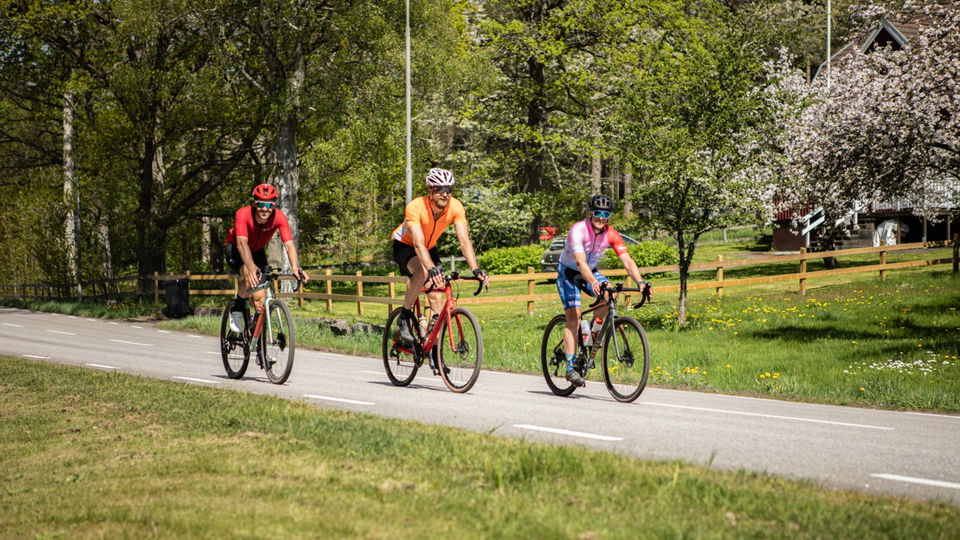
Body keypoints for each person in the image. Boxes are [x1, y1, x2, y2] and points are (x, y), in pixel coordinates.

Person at [556, 194, 648, 387]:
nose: (601, 217)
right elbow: (580, 262)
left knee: (610, 294)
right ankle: (570, 367)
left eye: (605, 214)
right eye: (597, 213)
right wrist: (592, 281)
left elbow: (628, 262)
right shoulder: (578, 230)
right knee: (574, 317)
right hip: (569, 272)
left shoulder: (612, 234)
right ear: (591, 213)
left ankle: (591, 332)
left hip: (590, 270)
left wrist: (640, 282)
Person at [391, 167, 489, 346]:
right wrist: (431, 269)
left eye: (449, 190)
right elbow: (418, 244)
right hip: (406, 246)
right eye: (441, 189)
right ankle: (404, 317)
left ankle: (433, 349)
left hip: (429, 248)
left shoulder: (456, 206)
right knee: (422, 273)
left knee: (437, 297)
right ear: (431, 190)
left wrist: (475, 269)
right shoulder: (415, 207)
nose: (445, 194)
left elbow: (464, 241)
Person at [224, 183, 309, 332]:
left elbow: (289, 244)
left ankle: (258, 344)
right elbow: (242, 243)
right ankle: (236, 309)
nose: (265, 208)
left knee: (260, 297)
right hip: (236, 248)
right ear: (254, 203)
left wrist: (295, 267)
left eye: (269, 205)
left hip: (257, 250)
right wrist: (250, 268)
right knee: (248, 275)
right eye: (261, 204)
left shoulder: (279, 217)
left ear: (274, 205)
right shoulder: (243, 214)